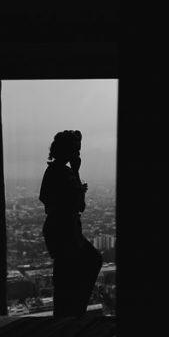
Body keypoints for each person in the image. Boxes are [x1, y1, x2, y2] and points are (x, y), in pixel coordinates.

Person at [39, 130, 103, 317]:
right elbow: (79, 205)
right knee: (79, 268)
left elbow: (48, 199)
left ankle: (69, 314)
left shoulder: (53, 171)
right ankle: (73, 313)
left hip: (63, 230)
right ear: (67, 150)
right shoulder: (64, 173)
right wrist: (76, 178)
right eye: (76, 149)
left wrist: (75, 186)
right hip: (66, 231)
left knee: (68, 274)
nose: (78, 154)